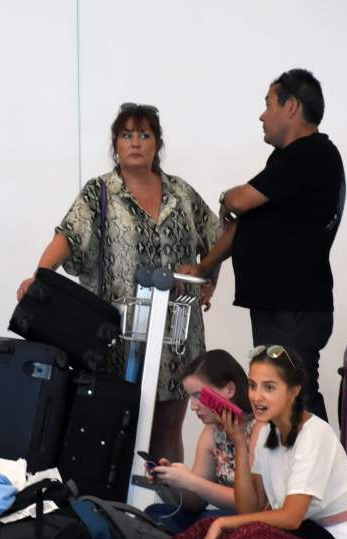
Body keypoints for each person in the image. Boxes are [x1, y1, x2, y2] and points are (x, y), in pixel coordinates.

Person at [17, 103, 220, 463]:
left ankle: (161, 510)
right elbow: (66, 237)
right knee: (118, 427)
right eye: (127, 135)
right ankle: (120, 511)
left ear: (157, 143)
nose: (136, 143)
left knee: (168, 428)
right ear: (115, 144)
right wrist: (39, 278)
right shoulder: (100, 193)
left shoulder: (182, 194)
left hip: (178, 333)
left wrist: (208, 274)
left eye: (144, 135)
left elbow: (218, 236)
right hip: (121, 335)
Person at [89, 345, 347, 539]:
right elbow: (252, 509)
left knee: (247, 535)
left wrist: (224, 522)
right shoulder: (264, 434)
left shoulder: (314, 435)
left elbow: (291, 517)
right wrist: (240, 444)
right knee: (210, 525)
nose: (257, 396)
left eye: (269, 387)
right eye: (253, 385)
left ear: (294, 391)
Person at [181, 69, 345, 422]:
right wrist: (205, 267)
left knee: (295, 395)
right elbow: (244, 225)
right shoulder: (286, 160)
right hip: (280, 306)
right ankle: (287, 477)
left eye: (268, 104)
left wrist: (226, 196)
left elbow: (240, 201)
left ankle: (316, 478)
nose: (262, 115)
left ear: (292, 107)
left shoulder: (311, 154)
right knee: (277, 396)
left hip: (295, 307)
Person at [145, 350, 264, 534]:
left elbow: (251, 505)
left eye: (198, 395)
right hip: (222, 516)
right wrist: (173, 481)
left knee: (207, 522)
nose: (192, 406)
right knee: (155, 513)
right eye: (190, 397)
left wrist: (191, 481)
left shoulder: (259, 428)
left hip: (253, 521)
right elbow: (196, 503)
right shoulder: (212, 431)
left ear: (229, 390)